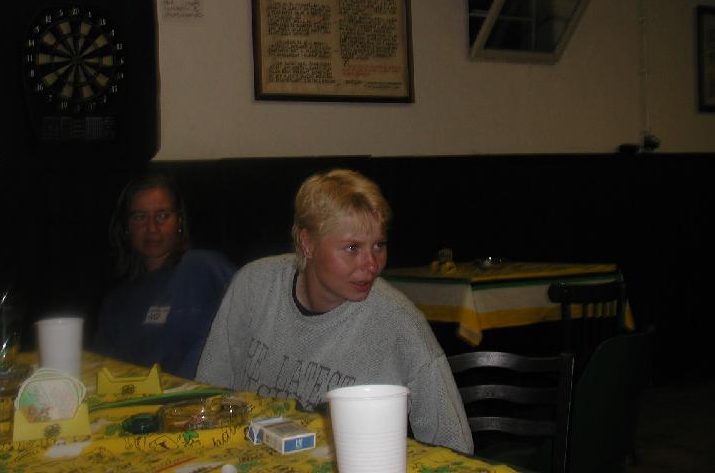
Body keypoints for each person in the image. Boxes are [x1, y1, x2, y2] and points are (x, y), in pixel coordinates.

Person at [196, 169, 473, 453]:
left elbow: (454, 444)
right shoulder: (255, 286)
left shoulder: (399, 323)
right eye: (352, 248)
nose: (372, 264)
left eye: (379, 245)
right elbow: (208, 396)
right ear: (307, 243)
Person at [93, 174, 235, 379]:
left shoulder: (205, 267)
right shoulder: (115, 303)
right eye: (140, 217)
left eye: (162, 216)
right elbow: (101, 374)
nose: (152, 228)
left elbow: (256, 315)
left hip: (211, 394)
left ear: (179, 221)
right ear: (126, 228)